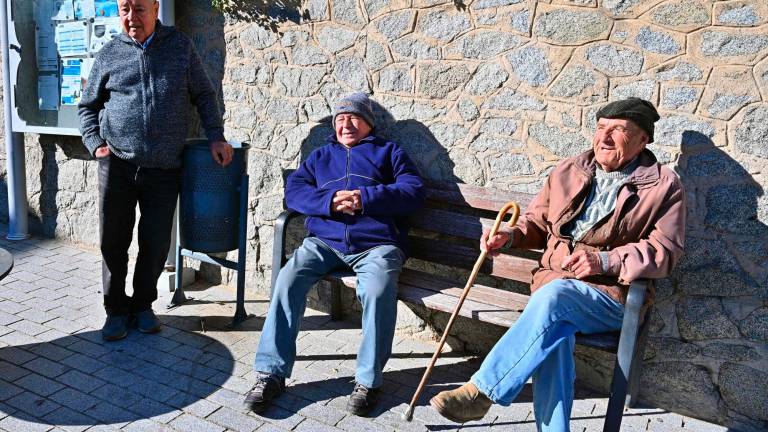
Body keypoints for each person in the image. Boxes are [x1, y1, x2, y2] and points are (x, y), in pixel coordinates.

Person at [430, 98, 686, 431]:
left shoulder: (664, 186)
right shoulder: (570, 170)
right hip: (553, 290)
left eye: (619, 130)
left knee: (555, 301)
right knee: (553, 333)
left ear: (643, 140)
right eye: (601, 127)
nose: (605, 138)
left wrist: (605, 260)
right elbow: (536, 222)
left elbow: (664, 251)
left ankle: (482, 391)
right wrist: (508, 237)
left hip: (609, 296)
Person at [244, 93, 425, 416]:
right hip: (324, 243)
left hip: (377, 246)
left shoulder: (389, 152)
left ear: (369, 124)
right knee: (288, 280)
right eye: (339, 119)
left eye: (353, 118)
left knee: (378, 290)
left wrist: (365, 198)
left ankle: (369, 380)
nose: (346, 124)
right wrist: (328, 203)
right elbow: (295, 191)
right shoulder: (320, 156)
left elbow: (413, 191)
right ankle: (270, 372)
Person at [78, 0, 233, 341]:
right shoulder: (109, 53)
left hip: (164, 166)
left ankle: (143, 305)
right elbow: (87, 106)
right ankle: (116, 310)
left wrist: (216, 137)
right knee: (113, 242)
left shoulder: (179, 46)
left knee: (155, 241)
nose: (131, 18)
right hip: (117, 164)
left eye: (139, 9)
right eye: (124, 10)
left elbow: (204, 95)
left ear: (156, 7)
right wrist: (96, 145)